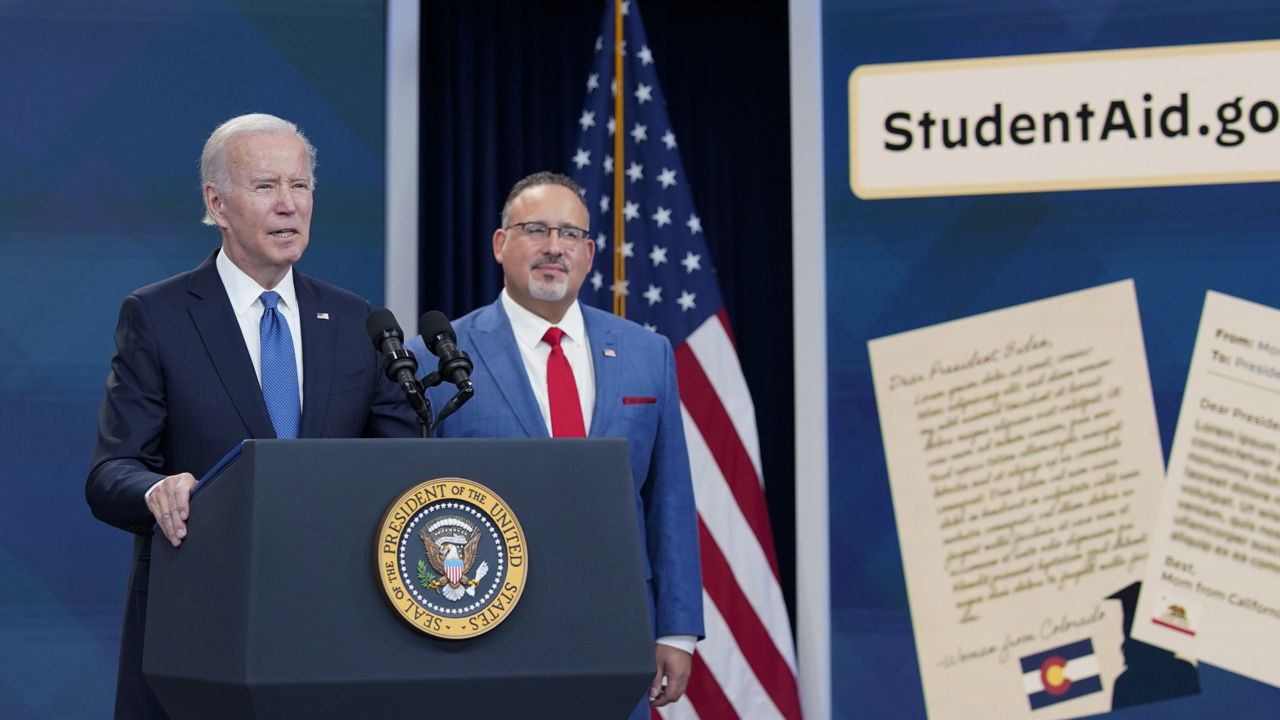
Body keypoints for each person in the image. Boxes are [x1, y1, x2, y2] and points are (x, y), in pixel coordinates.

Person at [86, 113, 419, 719]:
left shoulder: (354, 321)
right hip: (199, 625)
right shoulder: (158, 316)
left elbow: (398, 469)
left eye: (301, 186)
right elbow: (112, 472)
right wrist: (157, 489)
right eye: (266, 187)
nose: (289, 206)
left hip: (333, 626)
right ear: (216, 202)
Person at [406, 171, 704, 717]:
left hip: (616, 625)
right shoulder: (436, 358)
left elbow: (670, 499)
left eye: (570, 235)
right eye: (536, 229)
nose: (553, 248)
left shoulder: (646, 353)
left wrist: (678, 630)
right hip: (481, 627)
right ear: (501, 244)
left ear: (589, 253)